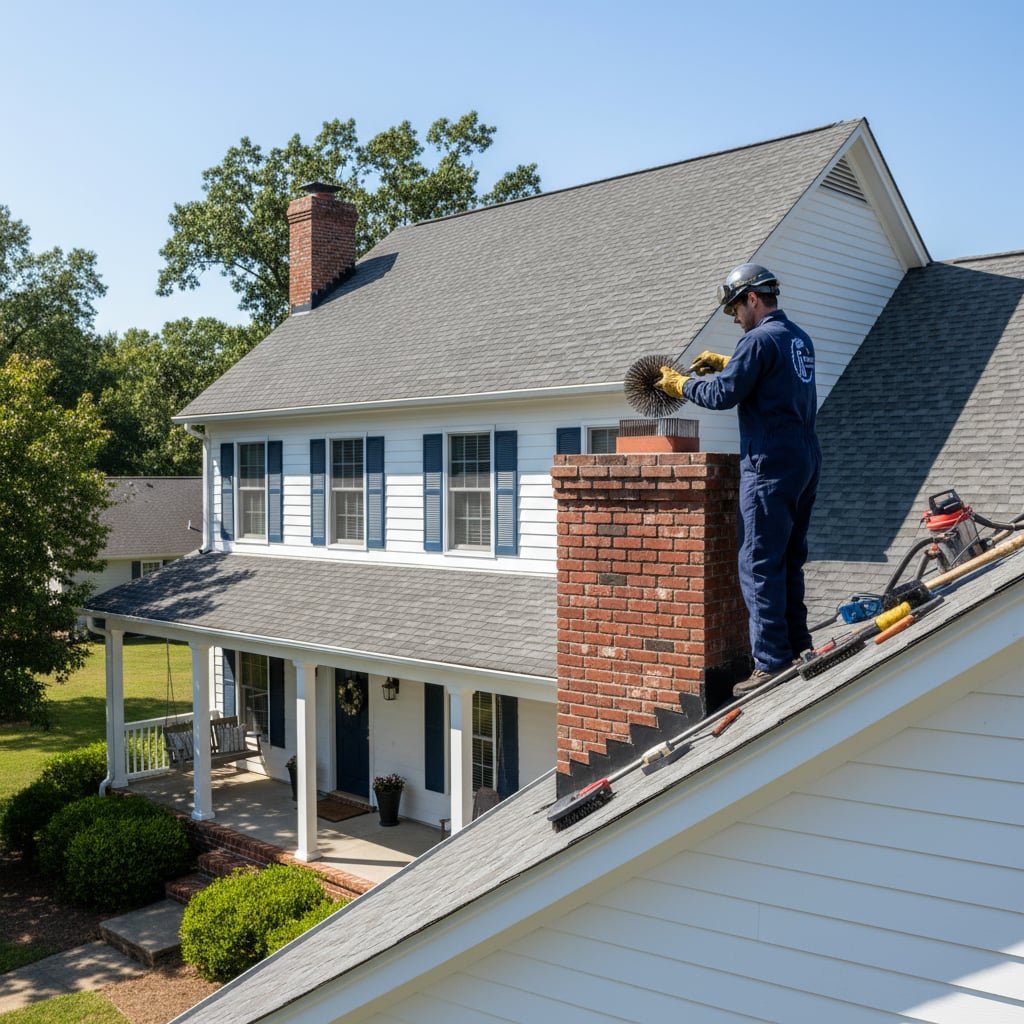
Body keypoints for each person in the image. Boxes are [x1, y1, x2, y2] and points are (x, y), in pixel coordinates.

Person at [655, 263, 821, 696]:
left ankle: (770, 662)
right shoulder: (797, 339)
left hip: (768, 464)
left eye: (735, 309)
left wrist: (682, 386)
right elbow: (770, 378)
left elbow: (723, 394)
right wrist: (731, 362)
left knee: (758, 562)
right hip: (804, 460)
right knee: (788, 559)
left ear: (752, 299)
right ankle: (799, 645)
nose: (734, 318)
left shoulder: (758, 339)